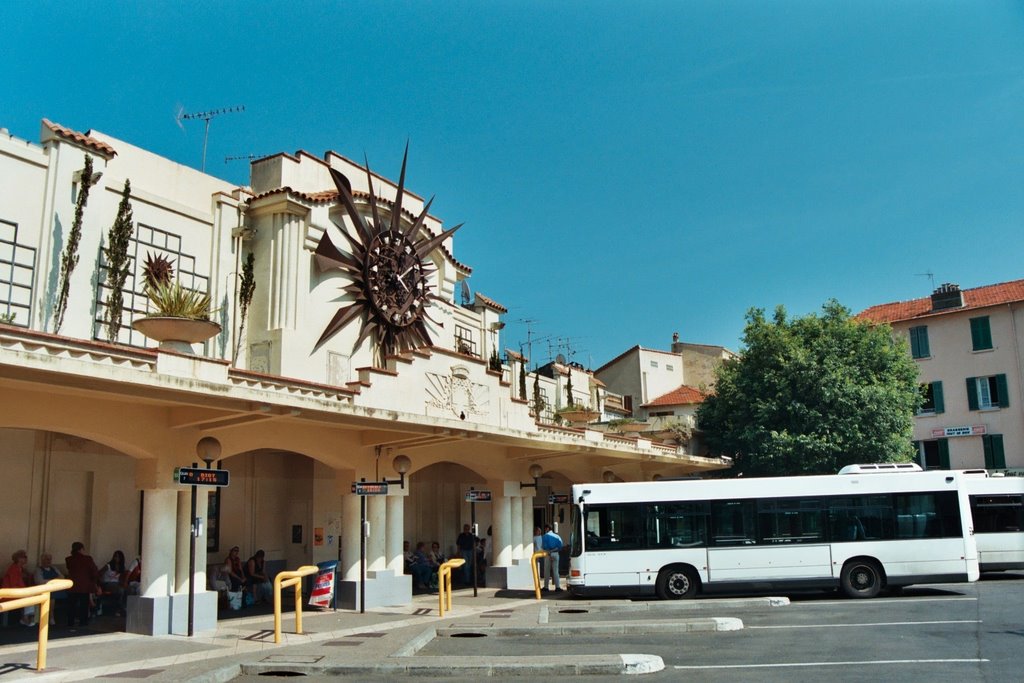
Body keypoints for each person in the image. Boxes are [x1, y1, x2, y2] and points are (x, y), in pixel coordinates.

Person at [65, 541, 100, 627]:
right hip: (84, 586)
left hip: (72, 585)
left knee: (71, 605)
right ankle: (83, 622)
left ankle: (70, 622)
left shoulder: (69, 559)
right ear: (81, 549)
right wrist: (95, 583)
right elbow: (94, 571)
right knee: (84, 605)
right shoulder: (88, 559)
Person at [2, 549, 35, 626]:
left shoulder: (21, 569)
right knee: (29, 597)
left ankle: (28, 617)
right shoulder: (13, 569)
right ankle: (25, 618)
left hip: (19, 591)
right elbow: (14, 585)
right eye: (24, 557)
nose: (26, 558)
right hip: (9, 593)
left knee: (34, 596)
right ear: (19, 559)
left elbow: (29, 576)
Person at [34, 553, 67, 625]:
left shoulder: (54, 568)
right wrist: (54, 580)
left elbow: (62, 577)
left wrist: (52, 580)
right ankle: (51, 617)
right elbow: (39, 581)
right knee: (52, 596)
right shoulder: (38, 570)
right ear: (42, 560)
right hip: (45, 590)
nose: (49, 561)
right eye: (47, 559)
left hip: (57, 588)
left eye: (50, 559)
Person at [99, 550, 127, 616]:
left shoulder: (122, 567)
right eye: (115, 556)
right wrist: (100, 583)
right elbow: (99, 573)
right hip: (108, 583)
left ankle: (125, 607)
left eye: (118, 557)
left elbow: (122, 578)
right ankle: (119, 609)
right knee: (120, 590)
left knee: (129, 589)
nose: (116, 558)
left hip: (116, 584)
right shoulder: (108, 566)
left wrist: (124, 583)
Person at [541, 524, 563, 591]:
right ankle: (557, 587)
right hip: (556, 554)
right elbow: (560, 546)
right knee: (556, 571)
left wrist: (549, 552)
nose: (545, 530)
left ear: (547, 528)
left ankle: (546, 587)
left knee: (546, 571)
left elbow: (544, 546)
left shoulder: (545, 536)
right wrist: (554, 550)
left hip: (548, 554)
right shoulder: (557, 536)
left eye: (545, 529)